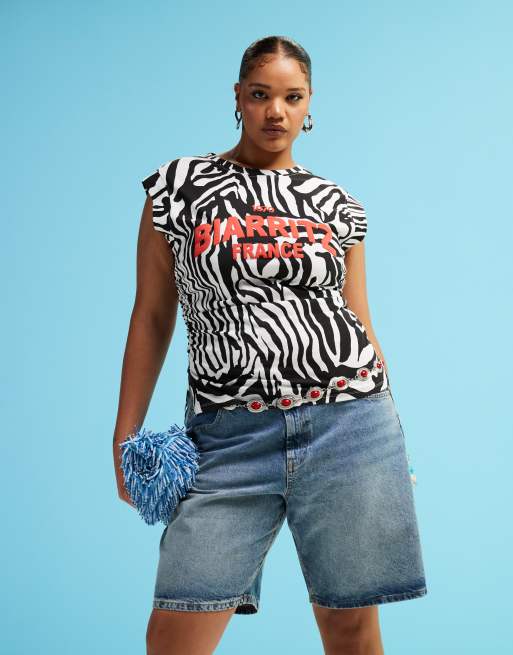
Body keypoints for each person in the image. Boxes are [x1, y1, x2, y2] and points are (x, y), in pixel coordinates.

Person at [113, 34, 427, 655]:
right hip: (229, 435)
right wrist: (125, 436)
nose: (276, 112)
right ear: (238, 98)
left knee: (351, 629)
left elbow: (359, 320)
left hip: (349, 425)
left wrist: (392, 440)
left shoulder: (338, 204)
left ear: (309, 103)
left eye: (292, 97)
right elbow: (151, 315)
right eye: (260, 95)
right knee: (173, 634)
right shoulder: (179, 187)